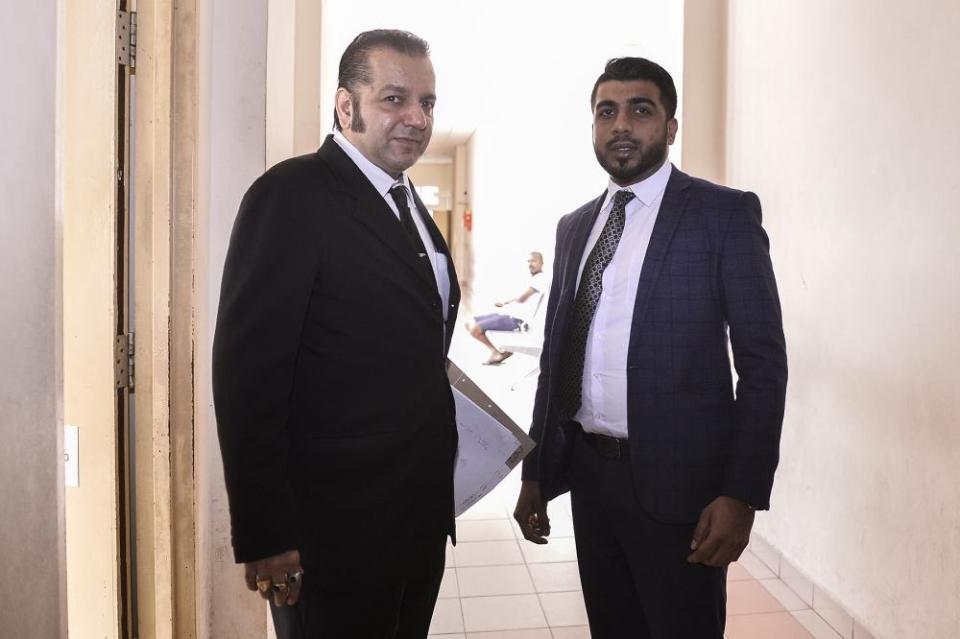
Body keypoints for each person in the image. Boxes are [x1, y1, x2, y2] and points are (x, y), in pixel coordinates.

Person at [513, 57, 787, 638]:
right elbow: (556, 357)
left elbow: (764, 366)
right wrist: (535, 471)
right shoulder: (574, 228)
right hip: (591, 481)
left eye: (640, 110)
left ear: (669, 126)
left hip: (683, 490)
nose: (621, 125)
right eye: (606, 111)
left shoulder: (721, 215)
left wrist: (740, 493)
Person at [212, 29, 460, 639]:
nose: (416, 118)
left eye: (426, 103)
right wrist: (266, 534)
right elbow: (248, 380)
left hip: (415, 520)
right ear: (345, 106)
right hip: (331, 535)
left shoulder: (405, 201)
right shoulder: (290, 196)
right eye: (394, 99)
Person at [465, 251, 548, 364]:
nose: (530, 263)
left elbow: (522, 298)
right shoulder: (534, 279)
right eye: (529, 261)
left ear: (541, 263)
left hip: (516, 320)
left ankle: (495, 352)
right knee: (469, 323)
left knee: (475, 329)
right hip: (508, 315)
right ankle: (500, 352)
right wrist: (505, 303)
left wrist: (505, 302)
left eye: (533, 260)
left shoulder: (541, 278)